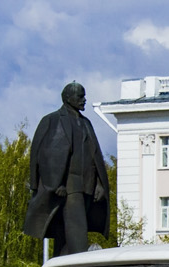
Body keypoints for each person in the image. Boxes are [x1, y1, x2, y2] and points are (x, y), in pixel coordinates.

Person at [23, 82, 110, 256]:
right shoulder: (52, 120)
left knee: (65, 233)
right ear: (67, 98)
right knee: (77, 231)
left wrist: (99, 184)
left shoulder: (86, 123)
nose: (84, 100)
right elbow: (44, 155)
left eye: (84, 96)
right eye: (80, 97)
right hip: (69, 186)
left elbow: (95, 155)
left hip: (87, 186)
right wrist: (55, 184)